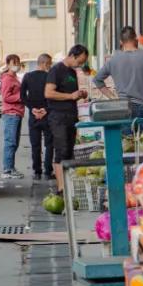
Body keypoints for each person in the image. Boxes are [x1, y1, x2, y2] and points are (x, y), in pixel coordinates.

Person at [92, 26, 143, 128]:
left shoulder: (113, 60)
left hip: (122, 109)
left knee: (127, 142)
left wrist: (113, 98)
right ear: (136, 39)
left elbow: (97, 79)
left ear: (121, 42)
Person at [44, 44, 90, 193]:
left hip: (71, 116)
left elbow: (70, 94)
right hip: (58, 117)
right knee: (61, 150)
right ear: (72, 55)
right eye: (79, 61)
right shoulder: (56, 70)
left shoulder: (72, 72)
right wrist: (70, 96)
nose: (80, 65)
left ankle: (69, 185)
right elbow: (49, 93)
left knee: (70, 151)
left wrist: (79, 95)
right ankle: (61, 188)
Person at [20, 53, 54, 180]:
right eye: (49, 64)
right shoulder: (50, 77)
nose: (50, 66)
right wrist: (45, 109)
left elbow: (22, 96)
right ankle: (48, 171)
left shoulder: (28, 76)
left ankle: (37, 172)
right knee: (49, 144)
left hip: (33, 116)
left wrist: (32, 109)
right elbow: (54, 96)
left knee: (35, 145)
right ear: (44, 63)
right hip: (48, 115)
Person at [0, 54, 25, 179]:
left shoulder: (14, 77)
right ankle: (7, 169)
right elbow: (6, 97)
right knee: (10, 142)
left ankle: (11, 167)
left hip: (17, 113)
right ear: (8, 64)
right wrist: (21, 97)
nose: (16, 64)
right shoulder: (8, 79)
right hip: (11, 113)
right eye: (13, 62)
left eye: (18, 62)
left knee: (14, 142)